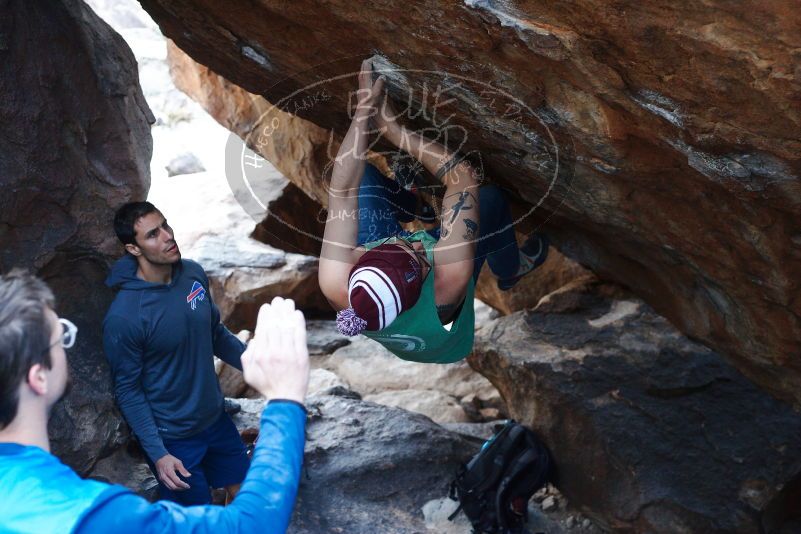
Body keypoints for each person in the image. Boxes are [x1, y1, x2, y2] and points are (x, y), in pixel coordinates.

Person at [0, 270, 310, 532]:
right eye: (61, 336)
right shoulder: (88, 516)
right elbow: (252, 525)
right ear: (38, 377)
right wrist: (285, 398)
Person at [318, 59, 548, 364]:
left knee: (362, 182)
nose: (416, 240)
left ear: (360, 257)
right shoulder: (448, 281)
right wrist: (395, 132)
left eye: (405, 242)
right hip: (449, 345)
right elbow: (463, 178)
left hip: (394, 289)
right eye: (419, 252)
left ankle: (416, 206)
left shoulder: (337, 283)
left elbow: (342, 192)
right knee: (490, 200)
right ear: (427, 276)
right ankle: (510, 270)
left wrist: (364, 113)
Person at [103, 202, 250, 505]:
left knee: (248, 501)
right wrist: (159, 454)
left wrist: (257, 365)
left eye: (166, 226)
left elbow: (214, 333)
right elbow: (128, 391)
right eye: (153, 234)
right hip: (175, 440)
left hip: (216, 420)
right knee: (196, 522)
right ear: (133, 249)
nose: (168, 236)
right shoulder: (126, 317)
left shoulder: (192, 273)